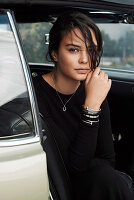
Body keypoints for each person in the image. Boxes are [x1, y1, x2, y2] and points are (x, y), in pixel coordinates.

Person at [33, 11, 134, 200]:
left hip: (91, 185)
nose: (85, 60)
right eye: (73, 50)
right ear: (54, 53)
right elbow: (71, 168)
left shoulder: (95, 91)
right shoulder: (35, 95)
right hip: (53, 187)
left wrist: (94, 102)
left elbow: (107, 160)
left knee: (107, 178)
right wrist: (91, 108)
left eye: (91, 50)